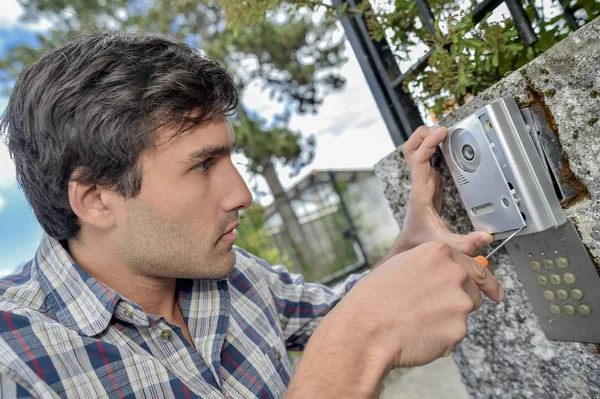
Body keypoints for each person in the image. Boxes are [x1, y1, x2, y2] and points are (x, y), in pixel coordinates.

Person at [0, 32, 502, 399]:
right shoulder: (18, 363)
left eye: (228, 158)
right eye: (202, 165)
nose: (241, 193)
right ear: (94, 199)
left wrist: (409, 241)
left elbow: (340, 314)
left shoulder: (234, 273)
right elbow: (353, 331)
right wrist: (359, 345)